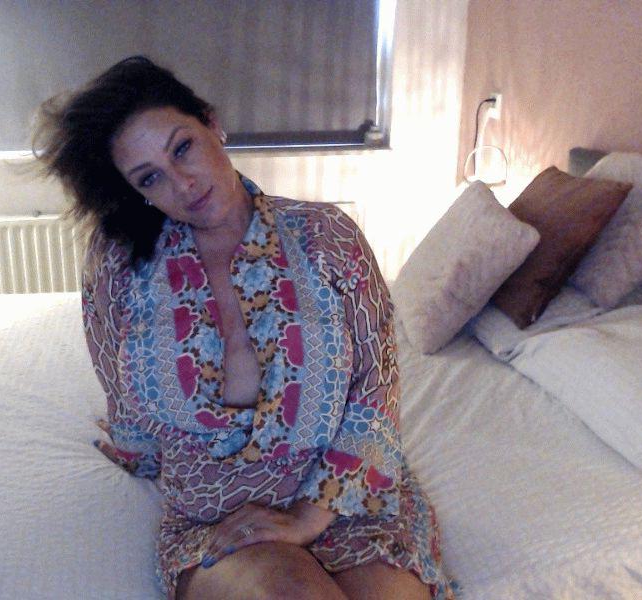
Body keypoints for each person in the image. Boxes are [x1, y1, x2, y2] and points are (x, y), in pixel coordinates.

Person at [33, 56, 453, 600]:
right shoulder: (120, 265)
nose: (182, 182)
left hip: (348, 502)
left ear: (212, 124)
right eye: (150, 177)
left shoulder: (328, 236)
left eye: (182, 147)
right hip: (220, 519)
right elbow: (124, 396)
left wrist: (307, 518)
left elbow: (376, 390)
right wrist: (134, 451)